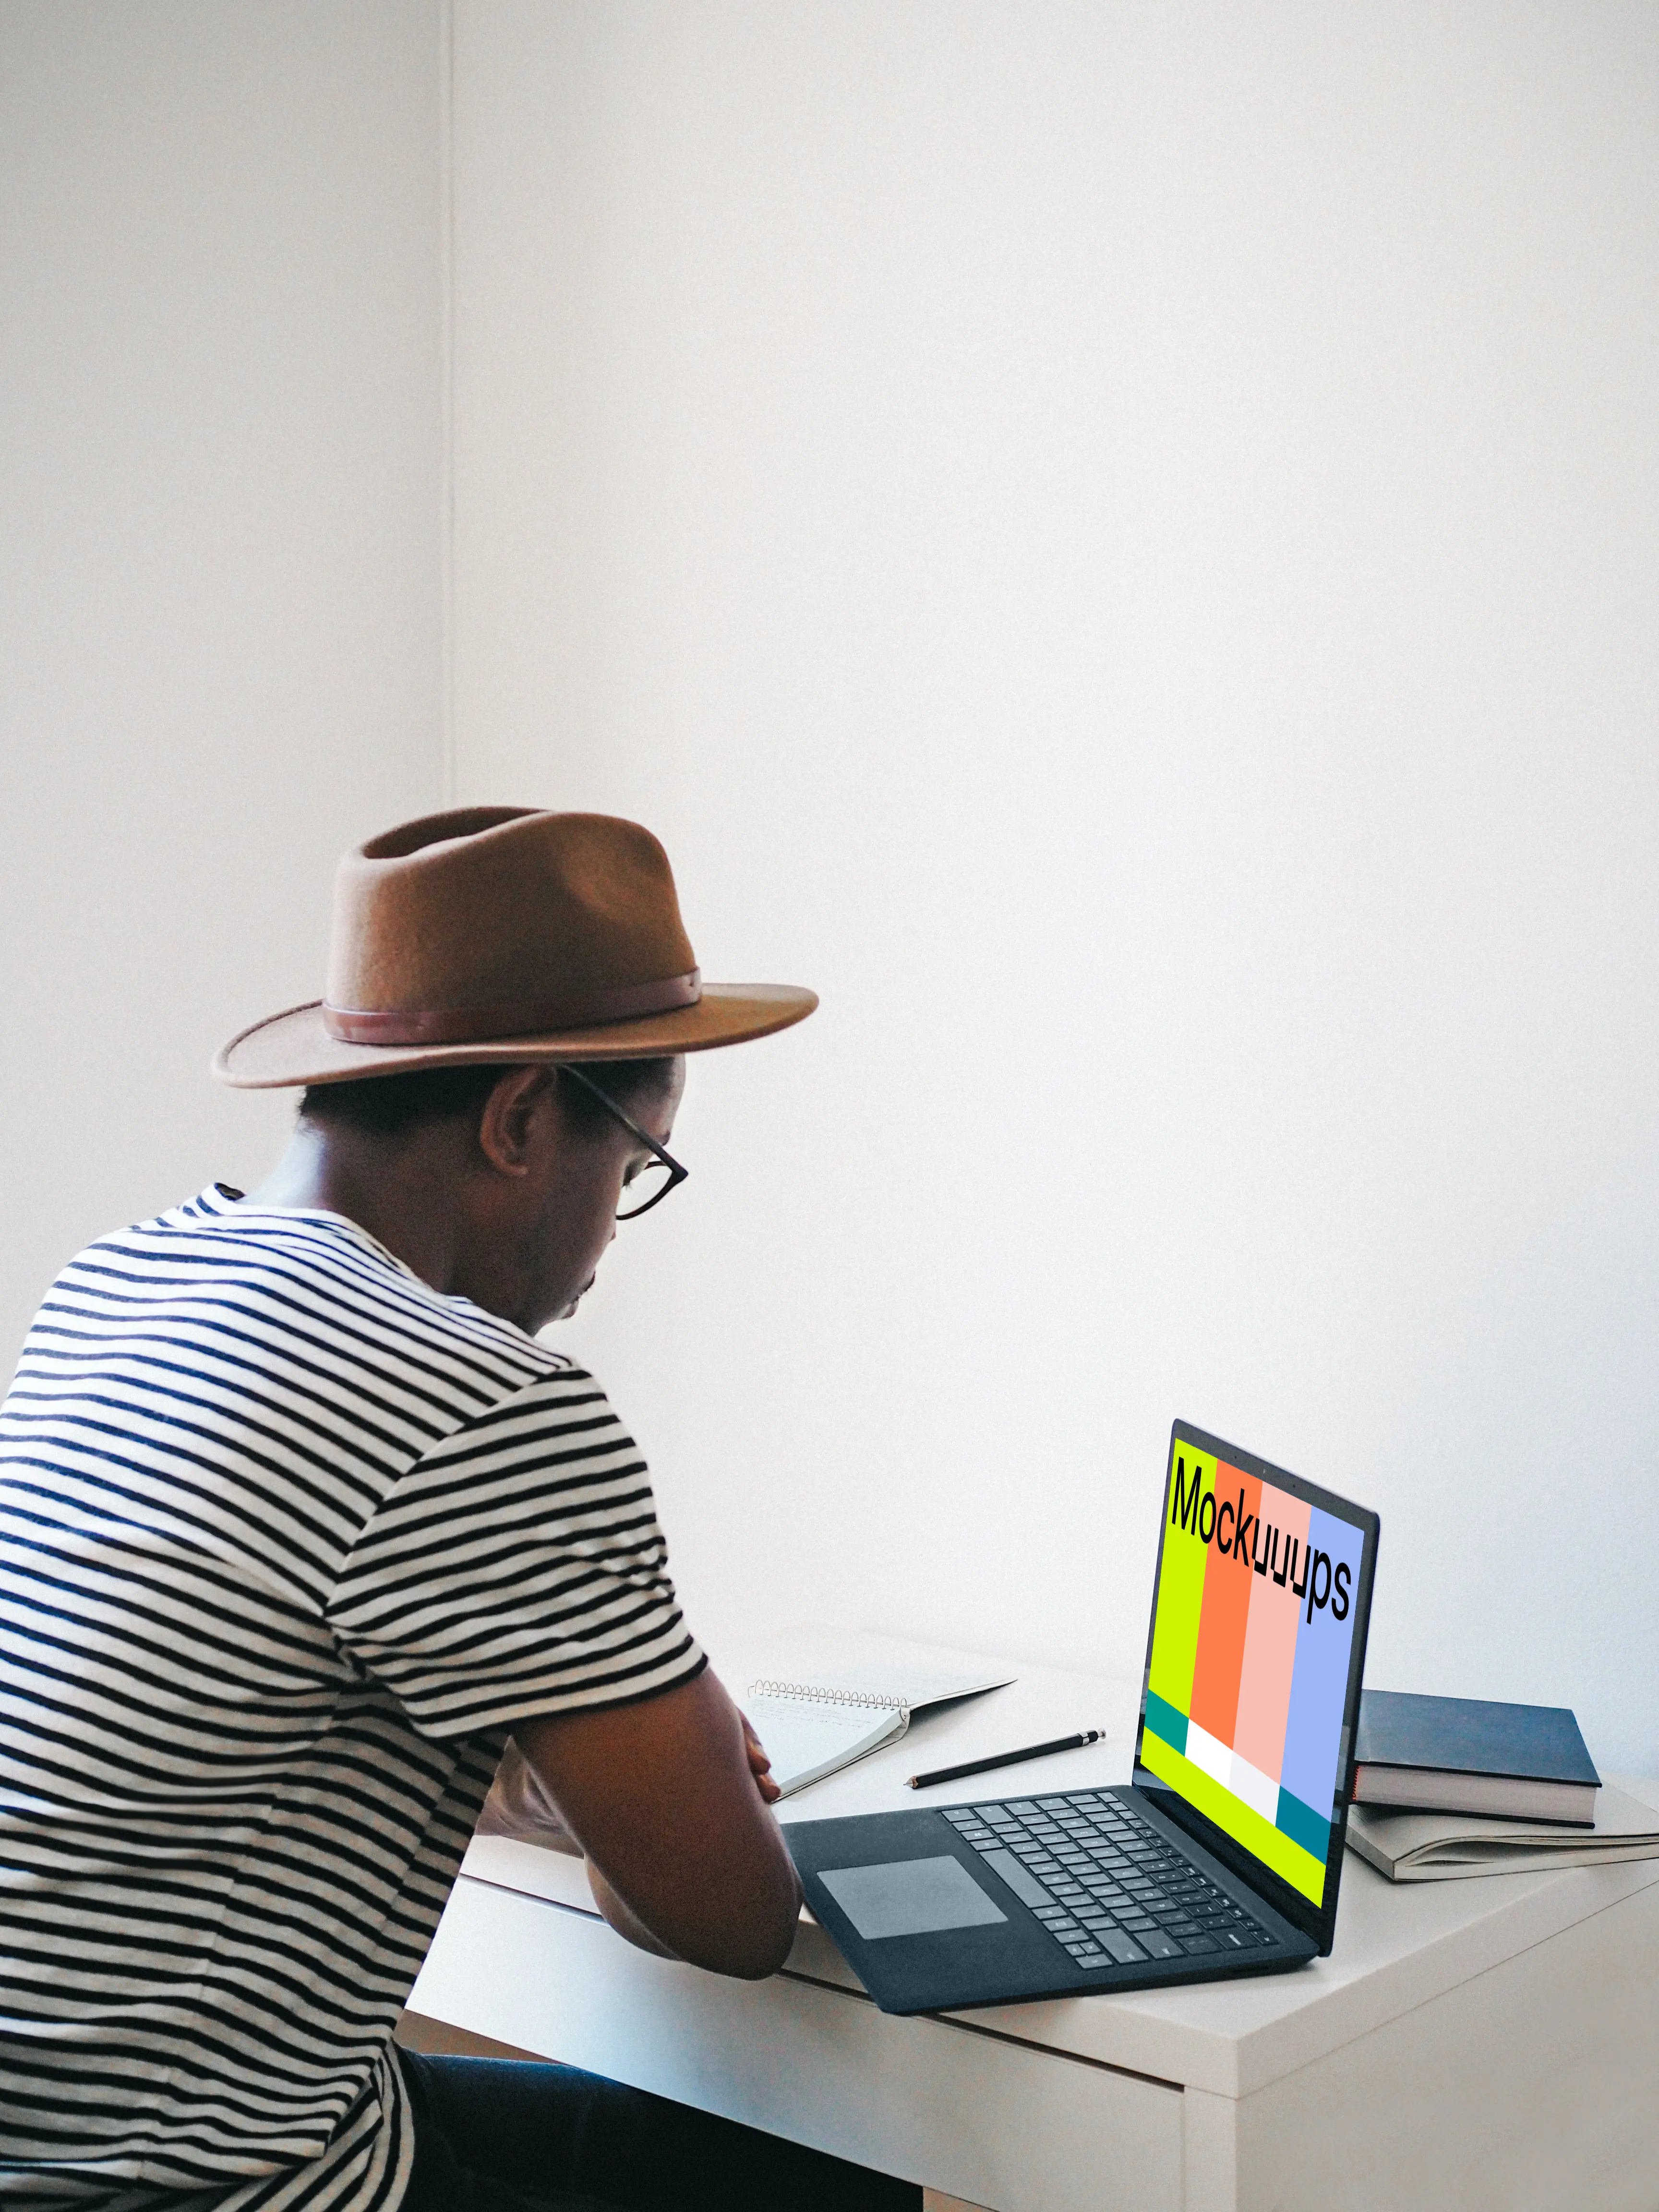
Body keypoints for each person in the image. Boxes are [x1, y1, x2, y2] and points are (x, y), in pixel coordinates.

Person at [0, 806, 919, 2212]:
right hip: (201, 2184)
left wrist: (562, 1744)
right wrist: (643, 1778)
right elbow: (728, 1918)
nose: (610, 1242)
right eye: (632, 1170)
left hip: (83, 2133)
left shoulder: (116, 1283)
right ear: (517, 1120)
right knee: (847, 2176)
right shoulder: (481, 1400)